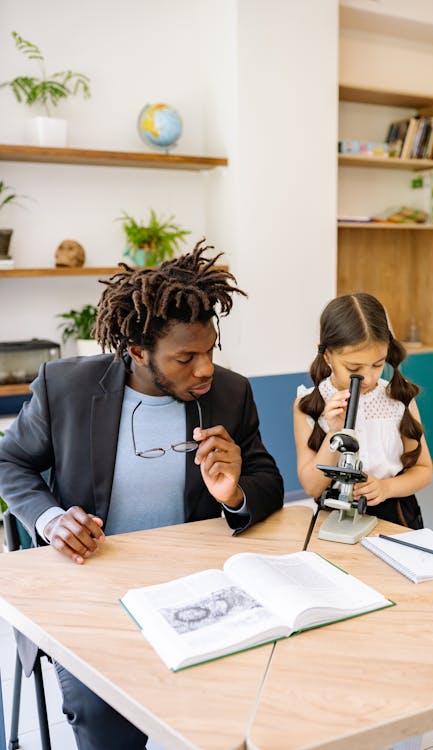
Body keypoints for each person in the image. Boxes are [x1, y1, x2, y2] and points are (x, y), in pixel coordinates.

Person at [0, 241, 284, 750]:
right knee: (104, 719)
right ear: (136, 352)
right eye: (186, 357)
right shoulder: (64, 386)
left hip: (199, 587)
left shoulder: (230, 393)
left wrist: (235, 491)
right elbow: (9, 460)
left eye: (211, 351)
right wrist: (49, 520)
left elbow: (268, 479)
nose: (205, 369)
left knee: (247, 703)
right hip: (94, 590)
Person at [294, 292, 432, 528]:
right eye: (354, 367)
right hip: (334, 514)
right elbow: (312, 486)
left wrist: (387, 487)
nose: (368, 378)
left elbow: (423, 470)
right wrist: (333, 434)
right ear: (327, 355)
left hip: (395, 513)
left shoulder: (398, 398)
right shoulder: (307, 404)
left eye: (378, 364)